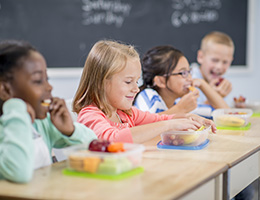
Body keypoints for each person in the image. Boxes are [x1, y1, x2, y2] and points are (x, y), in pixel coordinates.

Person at [72, 40, 216, 144]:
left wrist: (188, 117)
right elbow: (112, 140)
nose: (135, 89)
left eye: (137, 81)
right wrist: (169, 126)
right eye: (128, 82)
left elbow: (160, 119)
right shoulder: (89, 115)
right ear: (101, 83)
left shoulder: (126, 113)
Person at [0, 40, 97, 183]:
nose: (49, 87)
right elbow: (19, 172)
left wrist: (70, 130)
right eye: (38, 81)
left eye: (47, 79)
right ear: (6, 90)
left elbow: (93, 144)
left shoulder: (41, 123)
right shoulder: (9, 126)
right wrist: (15, 108)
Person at [134, 45, 229, 116]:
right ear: (161, 81)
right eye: (183, 73)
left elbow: (225, 113)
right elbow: (148, 125)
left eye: (189, 72)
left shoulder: (176, 102)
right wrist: (180, 109)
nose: (190, 78)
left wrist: (203, 84)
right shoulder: (148, 95)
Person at [192, 31, 234, 105]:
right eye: (215, 60)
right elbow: (192, 112)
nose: (219, 67)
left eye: (225, 62)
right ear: (200, 57)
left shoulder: (220, 84)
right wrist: (214, 97)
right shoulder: (191, 80)